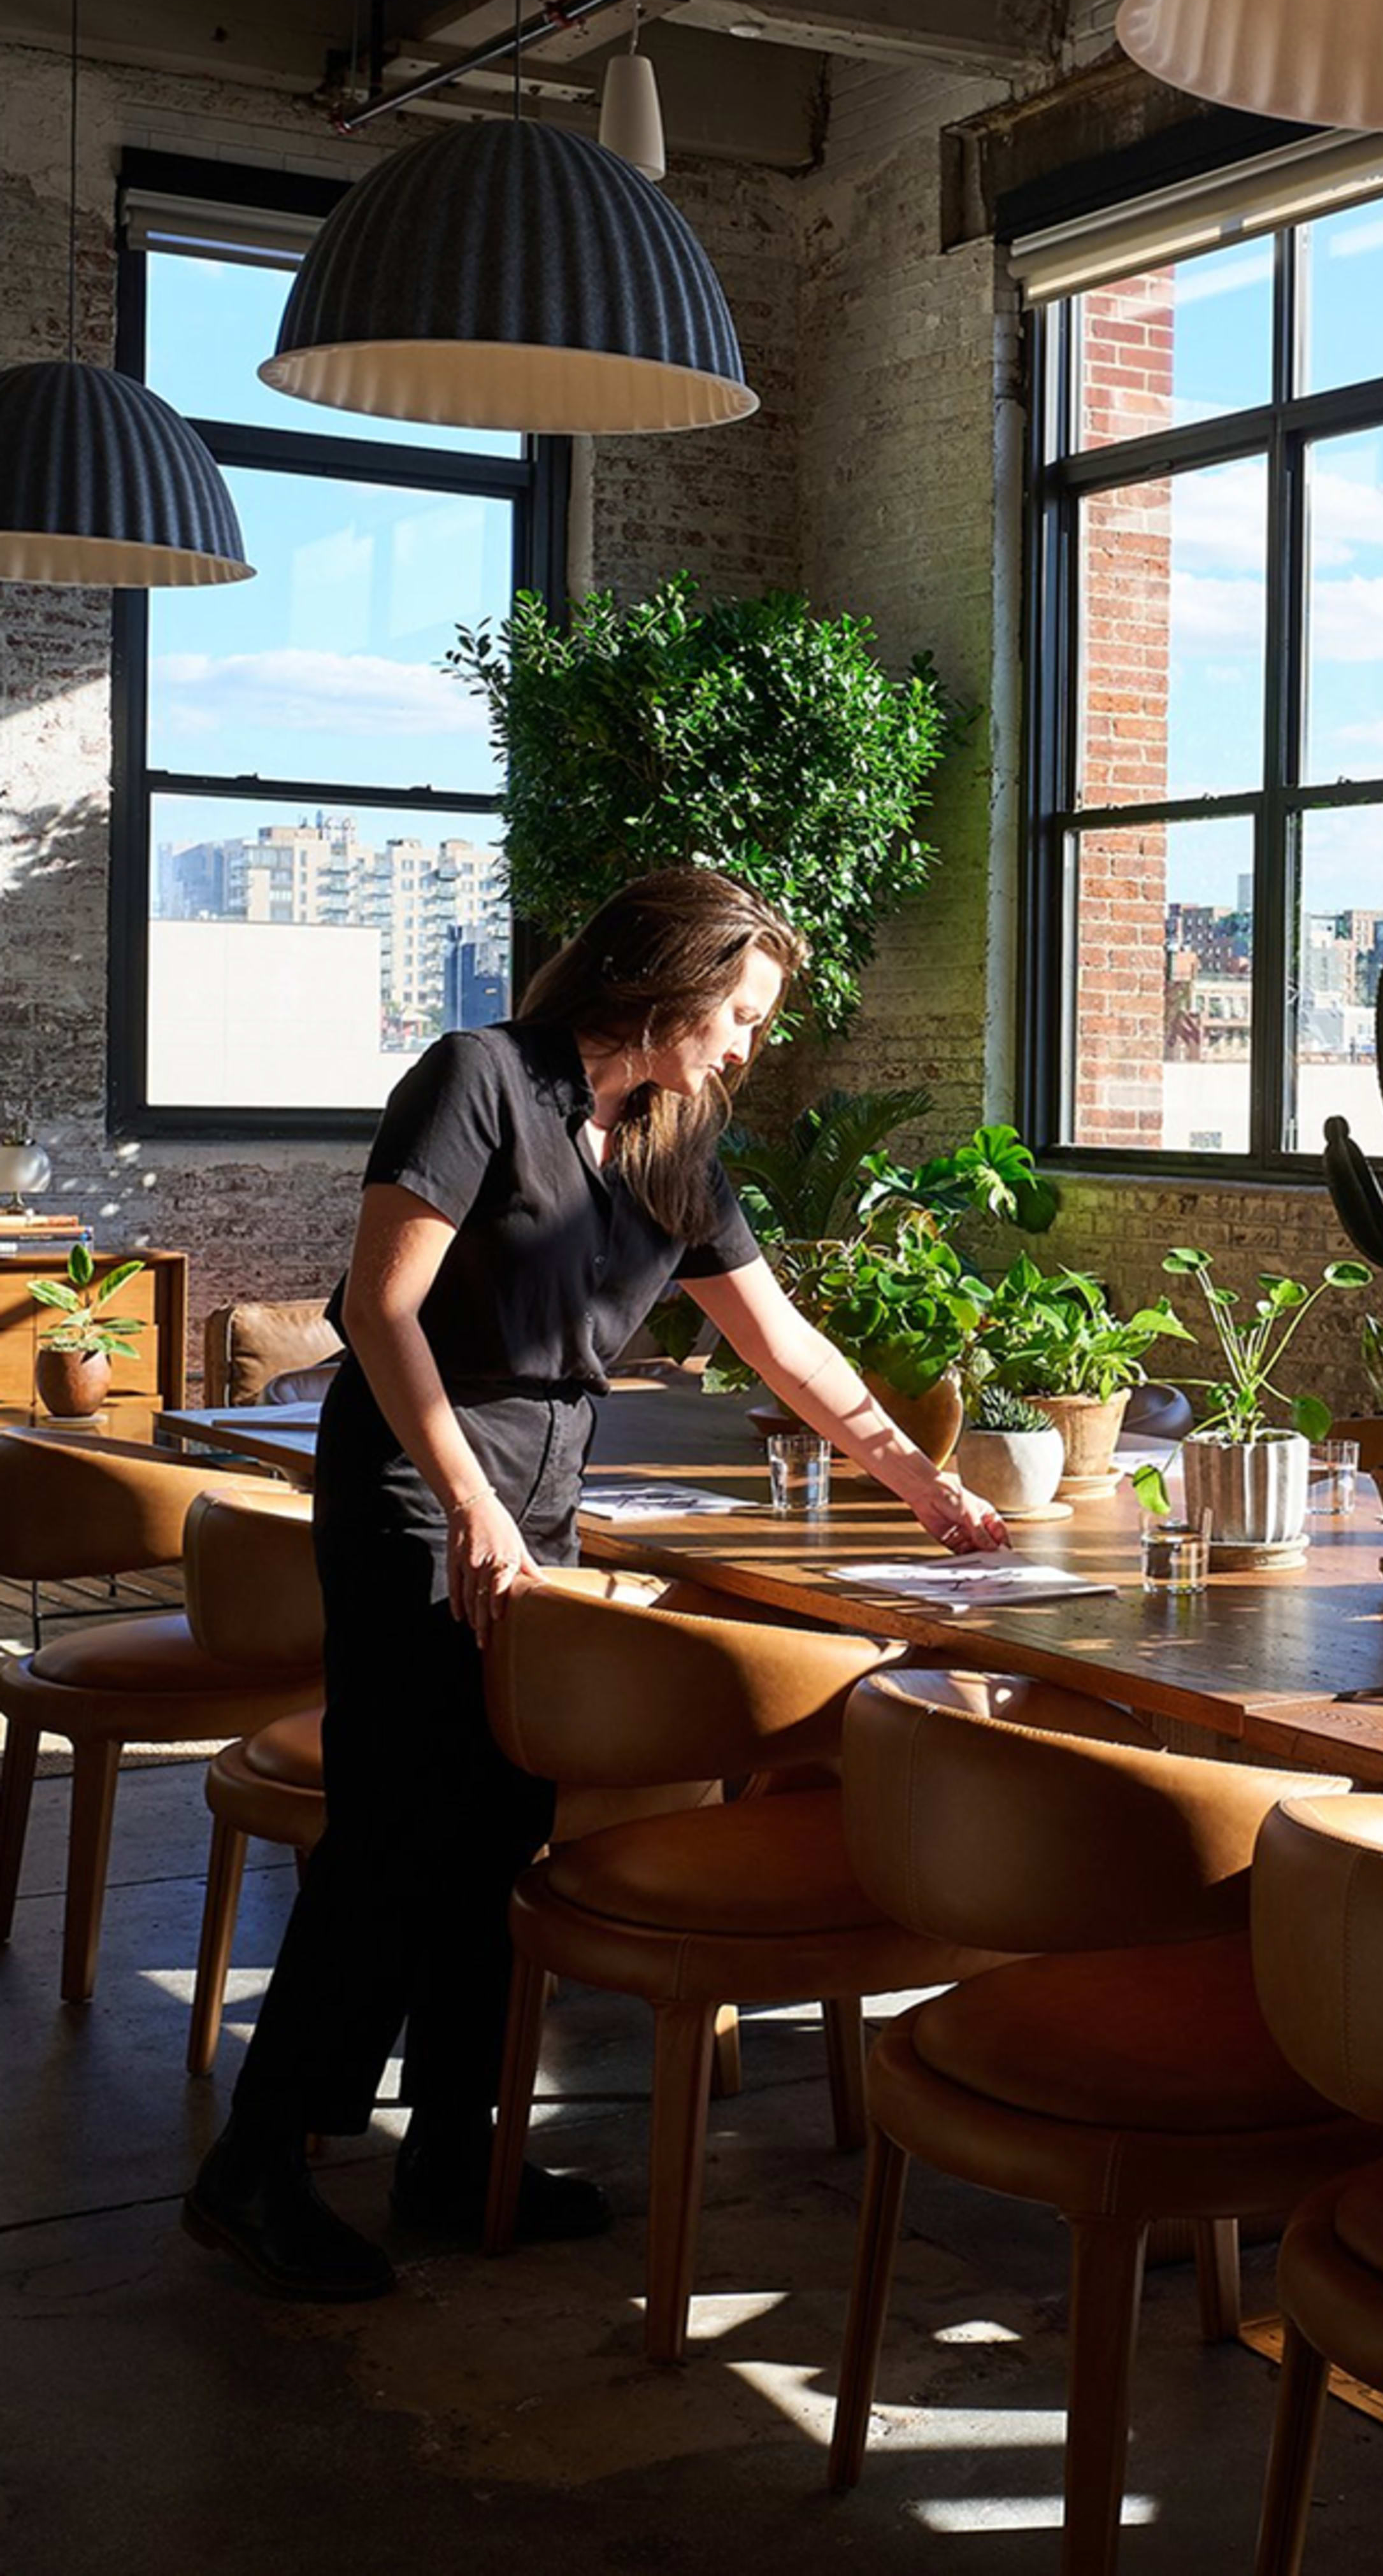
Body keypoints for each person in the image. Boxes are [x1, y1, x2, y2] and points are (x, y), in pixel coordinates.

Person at [184, 869, 1010, 2302]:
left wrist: (922, 1482)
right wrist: (466, 1508)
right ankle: (250, 2169)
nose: (750, 1045)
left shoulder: (676, 1147)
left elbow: (786, 1346)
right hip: (413, 1499)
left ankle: (456, 2151)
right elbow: (378, 1310)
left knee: (498, 1835)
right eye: (739, 1012)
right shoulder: (479, 1081)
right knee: (391, 1836)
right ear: (666, 981)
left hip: (537, 1516)